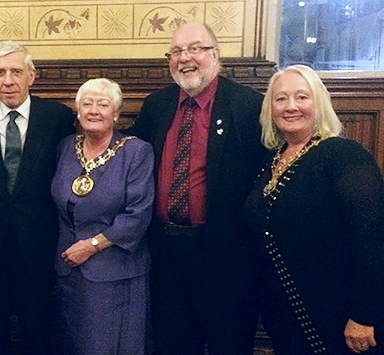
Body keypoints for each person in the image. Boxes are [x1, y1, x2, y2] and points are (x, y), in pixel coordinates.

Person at [129, 22, 266, 354]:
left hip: (225, 256)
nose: (184, 58)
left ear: (215, 55)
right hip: (166, 254)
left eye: (194, 48)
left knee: (228, 343)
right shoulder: (157, 105)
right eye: (176, 51)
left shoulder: (249, 106)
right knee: (173, 343)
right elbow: (130, 160)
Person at [245, 64, 384, 354]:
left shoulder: (343, 155)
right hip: (283, 314)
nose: (291, 106)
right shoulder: (271, 159)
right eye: (281, 98)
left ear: (318, 103)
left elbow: (373, 236)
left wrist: (363, 315)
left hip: (337, 314)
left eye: (302, 97)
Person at [0, 41, 75, 355]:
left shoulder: (57, 117)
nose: (8, 80)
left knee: (37, 328)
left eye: (16, 71)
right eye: (0, 72)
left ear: (32, 76)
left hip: (37, 243)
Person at [51, 78, 154, 355]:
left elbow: (138, 214)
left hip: (116, 273)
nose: (94, 110)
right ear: (78, 110)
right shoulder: (65, 147)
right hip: (69, 270)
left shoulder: (136, 151)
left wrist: (92, 245)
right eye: (87, 103)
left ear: (116, 113)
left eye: (103, 104)